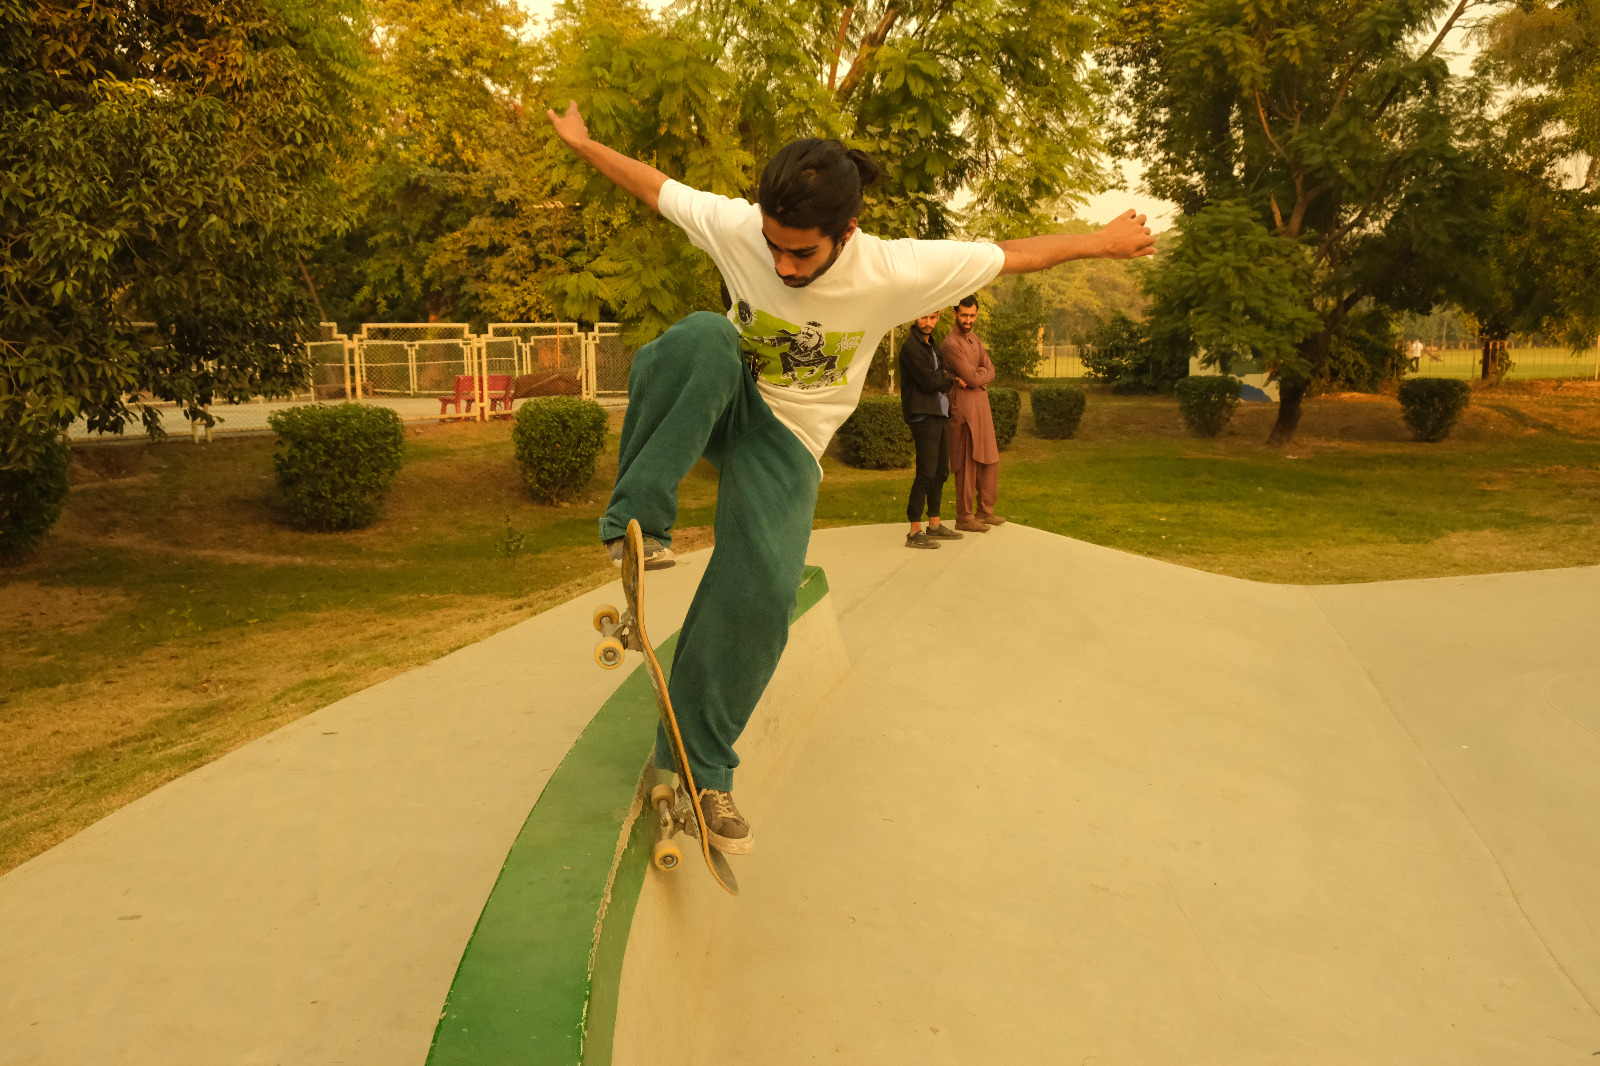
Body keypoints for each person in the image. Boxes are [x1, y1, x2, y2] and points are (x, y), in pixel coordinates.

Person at [546, 99, 1155, 855]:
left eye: (802, 255)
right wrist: (582, 140)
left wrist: (1102, 242)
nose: (782, 267)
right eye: (773, 249)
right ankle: (638, 521)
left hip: (791, 439)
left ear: (847, 234)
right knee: (702, 337)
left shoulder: (898, 269)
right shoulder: (743, 228)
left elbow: (1016, 253)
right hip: (729, 397)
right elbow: (653, 187)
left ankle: (698, 769)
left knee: (764, 594)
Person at [899, 309, 965, 549]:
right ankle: (914, 531)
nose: (928, 323)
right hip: (922, 414)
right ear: (914, 317)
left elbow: (940, 376)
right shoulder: (910, 347)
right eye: (923, 317)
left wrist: (943, 378)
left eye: (933, 317)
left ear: (938, 318)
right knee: (926, 473)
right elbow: (929, 381)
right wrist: (947, 380)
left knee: (940, 471)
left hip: (939, 412)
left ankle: (934, 524)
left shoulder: (933, 346)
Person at [940, 295, 1004, 532]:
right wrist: (978, 376)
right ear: (955, 314)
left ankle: (985, 512)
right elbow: (972, 377)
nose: (968, 320)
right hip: (963, 408)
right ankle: (965, 517)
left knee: (990, 458)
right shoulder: (951, 344)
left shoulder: (974, 340)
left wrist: (979, 377)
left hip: (981, 405)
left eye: (972, 315)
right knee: (967, 461)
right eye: (964, 315)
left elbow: (989, 370)